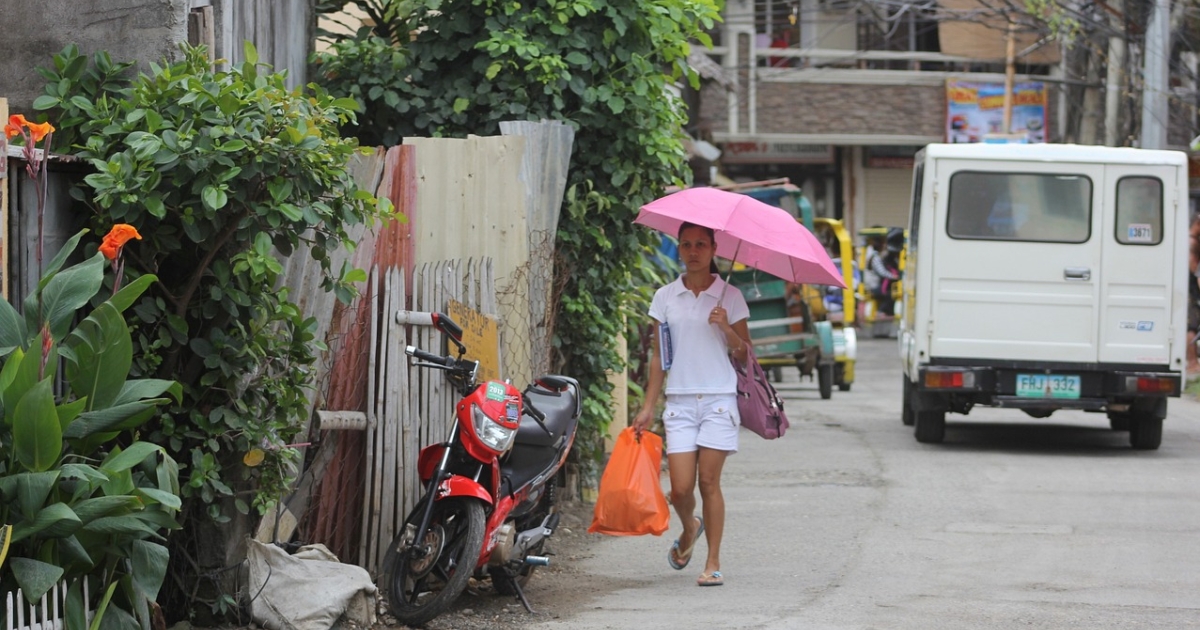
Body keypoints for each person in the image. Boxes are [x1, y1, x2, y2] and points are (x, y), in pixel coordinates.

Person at [633, 222, 751, 588]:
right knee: (680, 490)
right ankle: (690, 528)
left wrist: (726, 327)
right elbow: (658, 357)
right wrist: (648, 406)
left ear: (714, 248)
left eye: (701, 244)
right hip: (680, 402)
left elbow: (744, 357)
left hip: (718, 399)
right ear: (679, 249)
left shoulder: (730, 297)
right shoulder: (665, 297)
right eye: (686, 244)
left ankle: (712, 562)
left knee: (708, 482)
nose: (694, 251)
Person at [1187, 213, 1200, 373]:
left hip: (1191, 289)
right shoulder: (1191, 242)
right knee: (1191, 327)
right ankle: (1192, 362)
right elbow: (1194, 270)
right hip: (1190, 290)